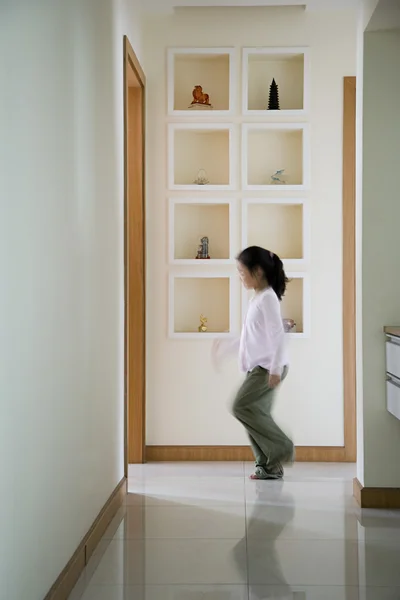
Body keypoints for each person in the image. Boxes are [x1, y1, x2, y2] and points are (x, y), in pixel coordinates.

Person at [213, 246, 294, 480]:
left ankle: (282, 448)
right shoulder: (258, 298)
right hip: (260, 367)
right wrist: (226, 348)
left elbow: (278, 335)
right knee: (255, 414)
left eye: (242, 272)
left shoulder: (267, 298)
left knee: (241, 407)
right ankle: (269, 466)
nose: (240, 277)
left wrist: (276, 369)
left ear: (257, 272)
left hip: (268, 368)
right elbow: (250, 337)